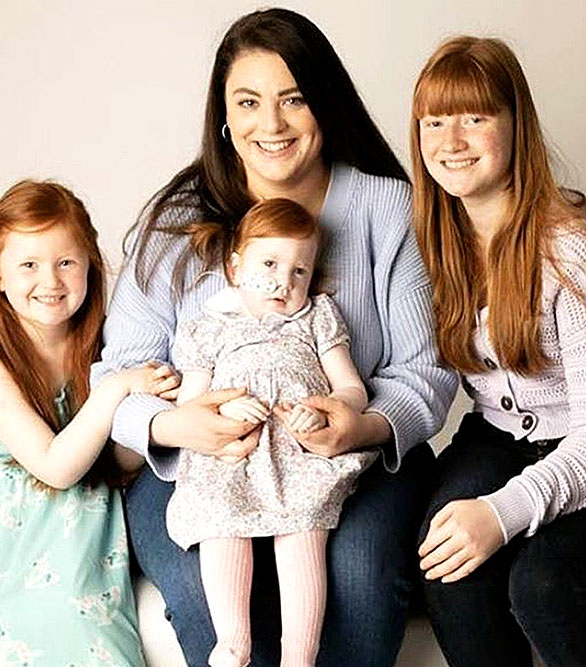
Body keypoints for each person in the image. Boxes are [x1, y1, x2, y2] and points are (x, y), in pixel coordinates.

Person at [92, 8, 457, 667]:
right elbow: (117, 372)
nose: (272, 124)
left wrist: (360, 422)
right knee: (206, 594)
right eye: (249, 102)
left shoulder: (386, 210)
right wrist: (179, 426)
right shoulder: (177, 220)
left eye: (294, 99)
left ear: (326, 104)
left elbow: (425, 371)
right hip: (204, 464)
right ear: (224, 118)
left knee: (360, 575)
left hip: (351, 461)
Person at [410, 36, 586, 666]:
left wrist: (501, 513)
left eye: (476, 118)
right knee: (443, 565)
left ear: (516, 126)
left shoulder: (576, 251)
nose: (451, 141)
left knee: (543, 585)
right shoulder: (432, 246)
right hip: (498, 441)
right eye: (435, 121)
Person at [0, 180, 178, 666]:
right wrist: (118, 388)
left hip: (84, 517)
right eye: (28, 266)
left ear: (90, 265)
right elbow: (54, 467)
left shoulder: (102, 340)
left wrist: (152, 406)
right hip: (8, 529)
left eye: (66, 263)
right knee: (0, 631)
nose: (50, 282)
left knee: (82, 623)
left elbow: (119, 460)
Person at [168, 198, 378, 667]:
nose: (284, 282)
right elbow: (189, 403)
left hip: (298, 453)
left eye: (299, 271)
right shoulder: (211, 327)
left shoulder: (317, 317)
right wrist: (223, 406)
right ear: (236, 267)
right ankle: (233, 643)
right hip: (232, 456)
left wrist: (328, 410)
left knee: (304, 529)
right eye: (269, 264)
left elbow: (350, 387)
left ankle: (300, 656)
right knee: (221, 523)